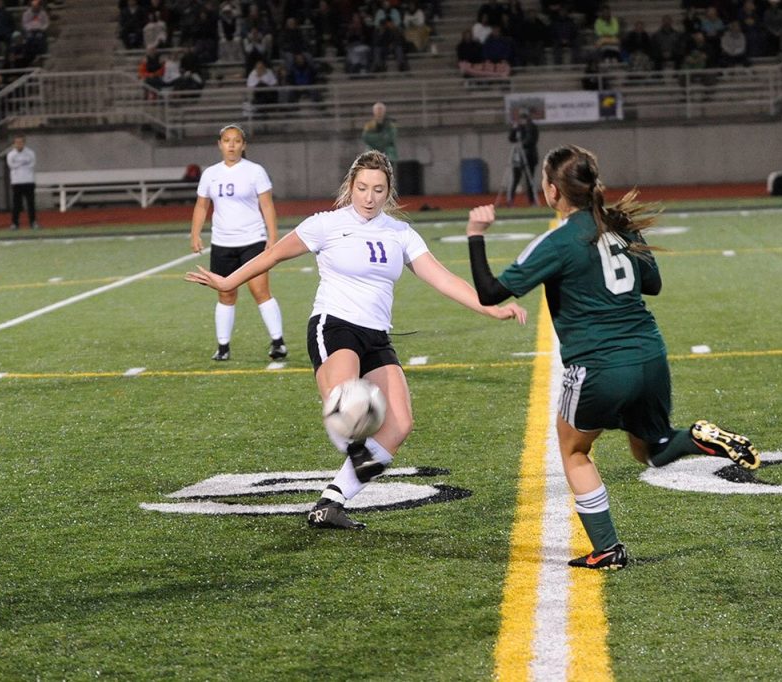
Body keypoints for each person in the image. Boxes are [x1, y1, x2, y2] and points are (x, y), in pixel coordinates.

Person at [185, 150, 527, 530]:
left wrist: (490, 308)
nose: (369, 197)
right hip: (334, 326)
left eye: (378, 189)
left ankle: (330, 502)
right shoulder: (326, 224)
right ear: (350, 187)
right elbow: (274, 254)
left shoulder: (400, 232)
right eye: (362, 187)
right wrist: (229, 281)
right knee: (345, 397)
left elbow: (444, 278)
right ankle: (355, 448)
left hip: (376, 336)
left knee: (399, 425)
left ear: (389, 191)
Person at [464, 144, 760, 570]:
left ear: (552, 191)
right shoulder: (620, 225)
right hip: (650, 354)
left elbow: (491, 293)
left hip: (600, 365)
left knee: (574, 451)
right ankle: (695, 436)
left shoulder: (560, 239)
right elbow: (652, 285)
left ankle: (607, 548)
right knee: (652, 450)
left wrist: (476, 233)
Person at [188, 125, 287, 363]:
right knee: (225, 292)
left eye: (236, 141)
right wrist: (195, 233)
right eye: (226, 140)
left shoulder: (255, 171)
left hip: (252, 239)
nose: (231, 145)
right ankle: (223, 347)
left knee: (260, 290)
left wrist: (272, 237)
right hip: (222, 242)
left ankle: (278, 342)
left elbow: (267, 205)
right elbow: (202, 206)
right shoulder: (210, 173)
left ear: (244, 145)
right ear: (219, 144)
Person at [6, 134, 38, 230]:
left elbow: (32, 164)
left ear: (24, 143)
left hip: (29, 180)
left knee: (31, 203)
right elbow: (11, 165)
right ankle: (15, 223)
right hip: (17, 182)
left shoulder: (30, 153)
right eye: (17, 142)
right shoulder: (11, 154)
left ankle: (33, 222)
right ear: (14, 144)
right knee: (16, 204)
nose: (19, 144)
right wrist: (23, 163)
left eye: (21, 142)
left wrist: (19, 164)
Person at [507, 110, 538, 206]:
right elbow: (511, 139)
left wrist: (522, 143)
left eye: (524, 118)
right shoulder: (518, 127)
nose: (522, 120)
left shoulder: (532, 127)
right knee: (515, 178)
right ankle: (510, 200)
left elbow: (531, 140)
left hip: (529, 156)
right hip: (518, 156)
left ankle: (532, 201)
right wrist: (514, 129)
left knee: (529, 180)